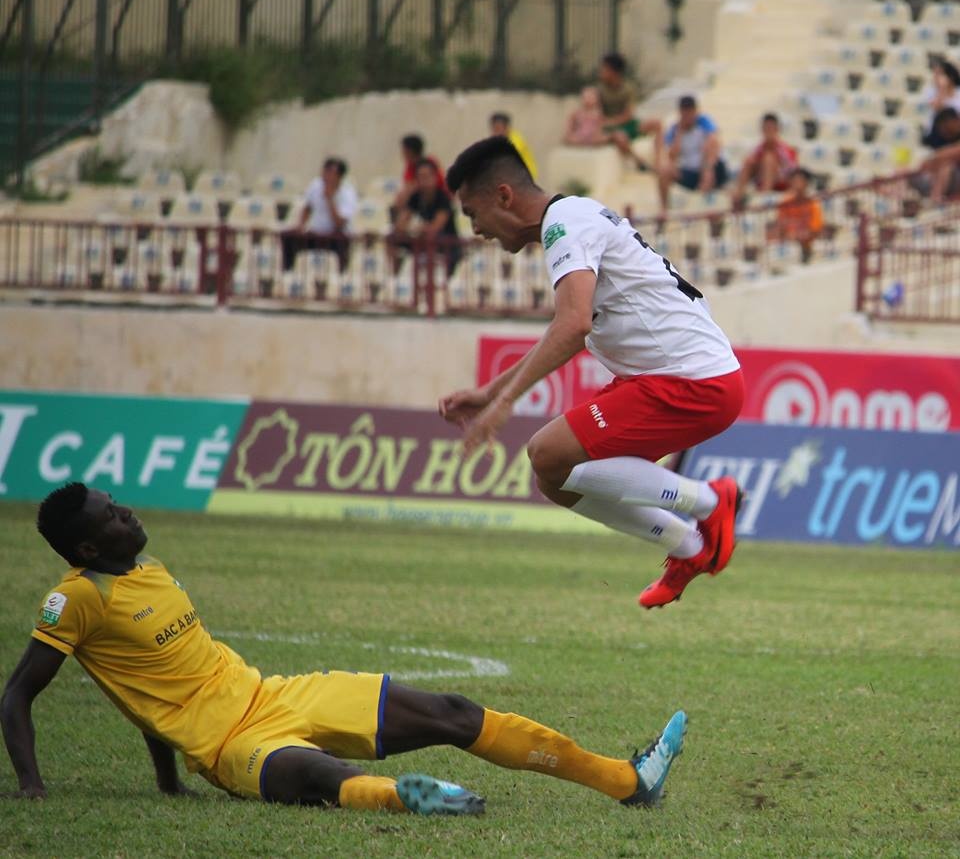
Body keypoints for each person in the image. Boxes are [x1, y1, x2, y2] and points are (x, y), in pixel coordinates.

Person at [1, 483, 687, 811]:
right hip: (227, 746)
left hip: (274, 693)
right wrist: (32, 783)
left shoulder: (146, 572)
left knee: (449, 709)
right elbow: (18, 694)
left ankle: (628, 780)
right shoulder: (76, 599)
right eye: (112, 517)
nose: (127, 512)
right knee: (316, 774)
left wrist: (161, 777)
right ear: (89, 547)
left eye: (118, 503)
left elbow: (149, 683)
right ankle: (409, 797)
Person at [439, 137, 744, 608]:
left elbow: (573, 325)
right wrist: (490, 392)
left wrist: (504, 402)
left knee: (546, 451)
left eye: (472, 212)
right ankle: (689, 547)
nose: (476, 228)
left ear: (504, 196)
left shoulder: (565, 224)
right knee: (555, 478)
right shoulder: (571, 219)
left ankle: (710, 501)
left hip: (692, 380)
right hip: (673, 376)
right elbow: (567, 325)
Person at [388, 158, 463, 277]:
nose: (424, 181)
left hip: (446, 247)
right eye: (420, 177)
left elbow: (434, 228)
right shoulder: (415, 197)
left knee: (431, 239)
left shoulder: (443, 198)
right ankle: (393, 276)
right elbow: (400, 224)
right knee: (392, 237)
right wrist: (413, 229)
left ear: (435, 177)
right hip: (422, 243)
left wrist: (416, 229)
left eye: (427, 176)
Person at [281, 157, 357, 273]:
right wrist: (301, 225)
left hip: (336, 236)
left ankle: (341, 277)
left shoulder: (348, 193)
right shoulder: (316, 185)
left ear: (339, 177)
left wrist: (330, 199)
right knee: (289, 237)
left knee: (342, 243)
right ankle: (287, 273)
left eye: (331, 173)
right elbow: (308, 207)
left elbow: (340, 223)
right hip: (315, 233)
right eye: (325, 171)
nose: (326, 176)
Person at [658, 96, 728, 213]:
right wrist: (679, 133)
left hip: (709, 166)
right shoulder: (675, 129)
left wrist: (707, 168)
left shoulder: (703, 123)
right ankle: (664, 209)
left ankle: (707, 201)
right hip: (691, 171)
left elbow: (714, 142)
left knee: (710, 149)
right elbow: (672, 156)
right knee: (665, 171)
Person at [596, 53, 662, 171]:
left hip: (626, 124)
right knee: (620, 137)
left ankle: (658, 162)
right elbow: (597, 113)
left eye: (605, 68)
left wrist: (613, 121)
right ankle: (639, 161)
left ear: (614, 71)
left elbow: (629, 113)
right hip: (611, 128)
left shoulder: (627, 88)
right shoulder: (600, 90)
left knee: (656, 124)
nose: (601, 72)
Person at [730, 113, 798, 208]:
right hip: (762, 180)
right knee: (749, 161)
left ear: (777, 129)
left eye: (770, 128)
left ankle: (764, 199)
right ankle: (739, 197)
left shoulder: (784, 149)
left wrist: (777, 171)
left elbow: (792, 171)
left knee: (768, 159)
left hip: (781, 183)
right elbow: (750, 165)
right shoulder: (759, 148)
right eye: (765, 128)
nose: (768, 132)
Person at [771, 168, 823, 263]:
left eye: (800, 181)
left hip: (806, 244)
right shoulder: (785, 203)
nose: (797, 184)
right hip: (789, 242)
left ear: (806, 183)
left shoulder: (813, 204)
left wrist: (799, 234)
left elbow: (815, 229)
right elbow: (780, 225)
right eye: (794, 181)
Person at [394, 134, 446, 212]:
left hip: (436, 201)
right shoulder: (410, 166)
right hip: (418, 200)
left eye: (403, 150)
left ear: (409, 151)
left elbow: (437, 184)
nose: (402, 154)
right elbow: (407, 185)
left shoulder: (429, 163)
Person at [919, 107, 960, 203]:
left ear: (955, 121)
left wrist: (934, 158)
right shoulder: (940, 140)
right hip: (952, 181)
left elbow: (955, 151)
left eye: (946, 127)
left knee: (946, 165)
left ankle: (935, 201)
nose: (944, 132)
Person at [921, 57, 960, 148]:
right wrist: (942, 89)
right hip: (936, 133)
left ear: (950, 76)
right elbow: (936, 107)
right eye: (935, 74)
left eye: (940, 74)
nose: (936, 77)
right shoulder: (930, 91)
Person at [489, 112, 538, 180]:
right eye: (494, 129)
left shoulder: (516, 141)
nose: (496, 133)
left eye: (498, 129)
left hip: (525, 178)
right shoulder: (498, 141)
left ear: (507, 128)